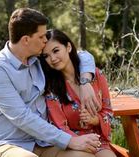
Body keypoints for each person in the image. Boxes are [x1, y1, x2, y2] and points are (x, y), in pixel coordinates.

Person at [0, 8, 101, 157]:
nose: (46, 40)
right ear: (26, 40)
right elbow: (22, 118)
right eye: (41, 36)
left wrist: (85, 82)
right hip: (6, 144)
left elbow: (82, 55)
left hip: (43, 143)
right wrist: (70, 140)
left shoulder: (38, 59)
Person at [40, 29, 117, 157]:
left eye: (56, 50)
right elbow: (60, 127)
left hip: (98, 141)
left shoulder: (96, 75)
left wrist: (96, 120)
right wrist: (79, 142)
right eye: (46, 56)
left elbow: (108, 112)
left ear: (68, 47)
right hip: (72, 143)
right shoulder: (51, 88)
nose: (52, 59)